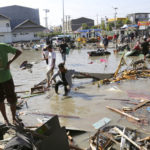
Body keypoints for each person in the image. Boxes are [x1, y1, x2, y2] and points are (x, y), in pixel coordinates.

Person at [0, 43, 22, 125]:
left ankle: (13, 118)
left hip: (7, 79)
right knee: (0, 101)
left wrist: (10, 62)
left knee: (12, 99)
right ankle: (6, 120)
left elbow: (19, 52)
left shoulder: (2, 46)